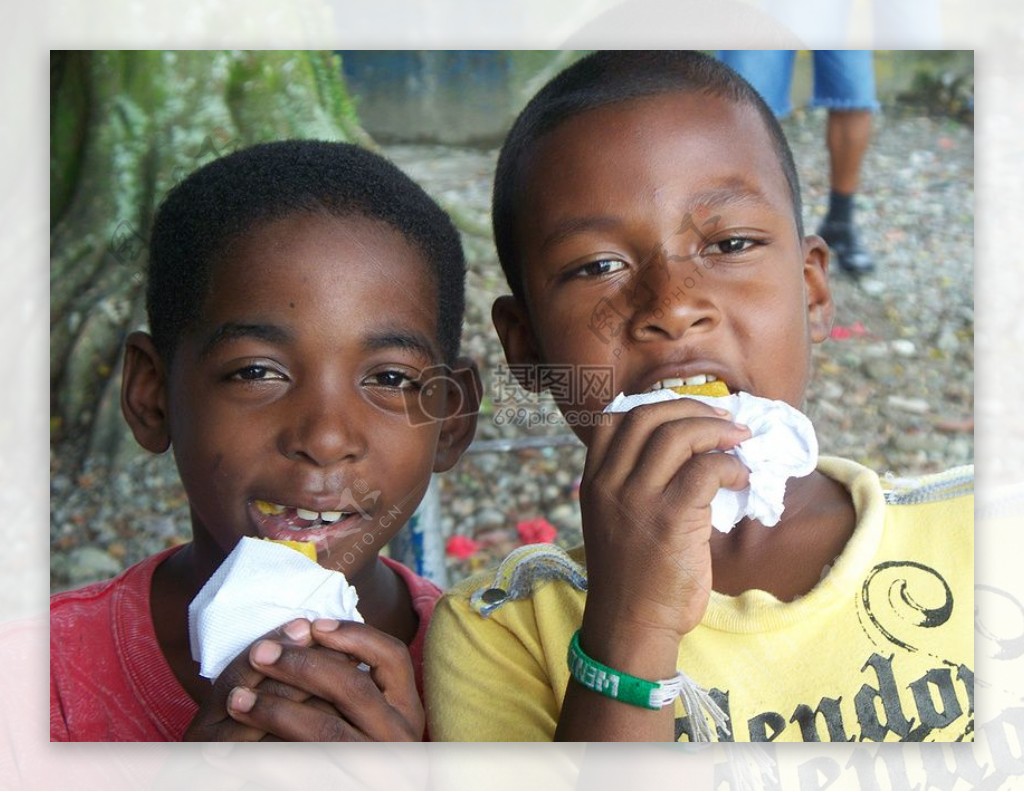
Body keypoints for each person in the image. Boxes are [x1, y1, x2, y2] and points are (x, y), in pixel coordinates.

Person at [424, 51, 973, 742]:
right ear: (527, 346)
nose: (673, 306)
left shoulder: (984, 530)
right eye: (599, 266)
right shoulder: (500, 636)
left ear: (812, 291)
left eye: (731, 242)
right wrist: (632, 628)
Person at [50, 140, 481, 741]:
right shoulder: (40, 683)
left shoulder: (503, 678)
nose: (326, 439)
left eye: (389, 379)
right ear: (151, 394)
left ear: (452, 418)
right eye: (257, 372)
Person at [718, 50, 878, 276]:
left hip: (841, 14)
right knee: (745, 100)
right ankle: (751, 228)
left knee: (855, 94)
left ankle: (840, 222)